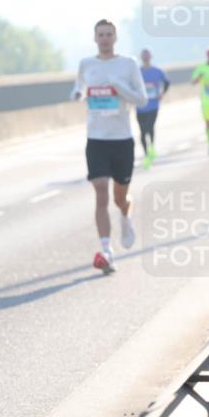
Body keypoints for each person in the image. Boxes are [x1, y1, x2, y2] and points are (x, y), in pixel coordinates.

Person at [71, 19, 148, 274]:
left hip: (122, 140)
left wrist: (119, 87)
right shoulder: (87, 64)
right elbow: (78, 89)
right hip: (96, 139)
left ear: (115, 38)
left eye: (109, 34)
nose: (104, 38)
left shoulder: (128, 64)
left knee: (119, 198)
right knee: (101, 192)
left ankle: (126, 216)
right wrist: (78, 95)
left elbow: (141, 98)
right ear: (95, 38)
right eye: (100, 34)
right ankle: (107, 250)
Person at [136, 49, 169, 169]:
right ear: (141, 57)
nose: (145, 57)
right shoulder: (137, 71)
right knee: (142, 131)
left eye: (147, 54)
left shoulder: (157, 70)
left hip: (153, 105)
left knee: (149, 127)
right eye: (143, 55)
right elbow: (130, 84)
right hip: (140, 106)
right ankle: (146, 153)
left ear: (151, 56)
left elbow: (167, 82)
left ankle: (152, 147)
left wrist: (162, 93)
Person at [191, 47, 209, 155]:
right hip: (206, 102)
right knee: (208, 124)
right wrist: (198, 78)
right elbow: (193, 82)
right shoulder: (201, 68)